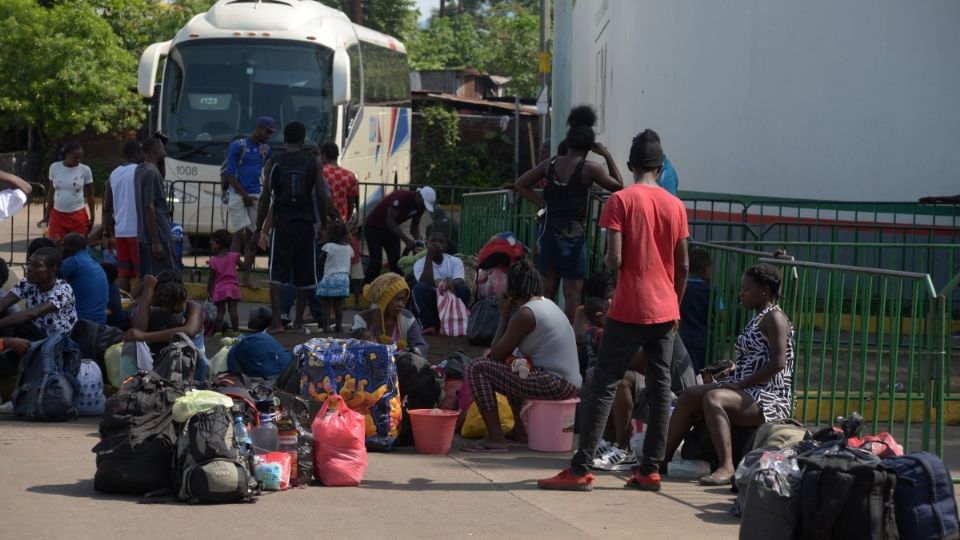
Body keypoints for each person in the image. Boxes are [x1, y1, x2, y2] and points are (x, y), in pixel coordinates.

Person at [539, 129, 688, 492]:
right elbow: (682, 265)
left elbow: (615, 257)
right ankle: (650, 469)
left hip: (630, 306)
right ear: (660, 165)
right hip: (665, 309)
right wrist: (675, 307)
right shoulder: (675, 205)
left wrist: (612, 258)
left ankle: (580, 468)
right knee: (660, 386)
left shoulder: (620, 200)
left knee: (604, 383)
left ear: (630, 164)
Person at [663, 263, 795, 486]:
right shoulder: (758, 317)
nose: (740, 294)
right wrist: (732, 372)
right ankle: (662, 458)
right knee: (688, 396)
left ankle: (727, 466)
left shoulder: (775, 318)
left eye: (746, 289)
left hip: (768, 396)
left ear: (764, 290)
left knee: (714, 398)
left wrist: (739, 384)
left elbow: (778, 363)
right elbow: (755, 358)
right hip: (747, 387)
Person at [513, 106, 623, 322]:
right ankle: (566, 337)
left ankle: (540, 330)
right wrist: (607, 154)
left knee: (546, 290)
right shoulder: (589, 168)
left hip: (548, 234)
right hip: (573, 238)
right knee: (572, 294)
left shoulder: (550, 164)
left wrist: (543, 203)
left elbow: (520, 184)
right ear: (589, 146)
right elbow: (618, 186)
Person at [461, 259, 581, 453]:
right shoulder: (547, 304)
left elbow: (496, 355)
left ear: (513, 289)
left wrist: (504, 315)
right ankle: (520, 431)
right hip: (566, 382)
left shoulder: (526, 314)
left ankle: (496, 438)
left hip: (556, 382)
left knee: (477, 368)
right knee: (516, 366)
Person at [257, 121, 329, 334]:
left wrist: (259, 229)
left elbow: (265, 198)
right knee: (305, 276)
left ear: (285, 138)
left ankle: (277, 322)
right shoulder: (312, 162)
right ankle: (298, 322)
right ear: (302, 138)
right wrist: (323, 224)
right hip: (305, 225)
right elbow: (322, 196)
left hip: (282, 224)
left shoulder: (274, 161)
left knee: (277, 275)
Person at [223, 116, 275, 288]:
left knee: (254, 236)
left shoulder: (266, 149)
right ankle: (231, 276)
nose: (268, 136)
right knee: (238, 235)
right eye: (267, 132)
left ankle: (245, 278)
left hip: (255, 195)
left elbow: (269, 171)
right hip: (238, 195)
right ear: (259, 128)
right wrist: (244, 195)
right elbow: (229, 174)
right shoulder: (238, 146)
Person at [0, 247, 78, 339]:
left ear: (53, 270)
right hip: (35, 336)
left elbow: (33, 313)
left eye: (37, 265)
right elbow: (4, 303)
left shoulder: (63, 290)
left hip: (58, 344)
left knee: (19, 325)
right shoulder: (27, 283)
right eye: (29, 263)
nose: (29, 268)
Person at [363, 186, 436, 284]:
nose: (424, 208)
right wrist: (407, 240)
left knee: (397, 263)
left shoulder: (420, 207)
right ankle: (366, 290)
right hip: (373, 227)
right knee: (376, 262)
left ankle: (395, 289)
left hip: (390, 230)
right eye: (423, 204)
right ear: (419, 196)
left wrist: (419, 241)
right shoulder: (401, 196)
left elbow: (414, 228)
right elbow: (390, 221)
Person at [351, 273, 428, 358]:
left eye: (403, 300)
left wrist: (406, 354)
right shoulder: (362, 319)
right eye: (398, 299)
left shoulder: (407, 318)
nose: (401, 305)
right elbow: (352, 348)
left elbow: (421, 347)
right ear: (384, 301)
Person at [102, 140, 143, 291]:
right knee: (141, 273)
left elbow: (107, 207)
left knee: (124, 273)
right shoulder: (140, 170)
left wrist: (107, 233)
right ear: (138, 153)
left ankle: (124, 303)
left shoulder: (114, 173)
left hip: (121, 232)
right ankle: (133, 308)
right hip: (138, 231)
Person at [411, 230, 470, 334]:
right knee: (419, 288)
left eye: (441, 241)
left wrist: (451, 284)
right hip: (431, 299)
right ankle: (429, 325)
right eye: (433, 241)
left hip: (449, 297)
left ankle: (455, 322)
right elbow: (425, 282)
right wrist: (429, 257)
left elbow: (460, 279)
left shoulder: (455, 261)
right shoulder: (419, 264)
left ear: (446, 246)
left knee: (463, 289)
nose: (436, 244)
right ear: (426, 244)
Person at [135, 138, 178, 277]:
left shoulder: (140, 169)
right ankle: (180, 299)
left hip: (144, 235)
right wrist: (156, 241)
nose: (164, 151)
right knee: (171, 274)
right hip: (159, 233)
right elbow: (149, 206)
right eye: (162, 149)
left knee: (151, 277)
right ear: (155, 151)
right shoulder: (151, 173)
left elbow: (161, 176)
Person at [38, 142, 95, 241]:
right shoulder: (54, 167)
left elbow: (90, 196)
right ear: (67, 155)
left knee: (77, 248)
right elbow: (51, 192)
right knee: (56, 246)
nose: (78, 160)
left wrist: (92, 217)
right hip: (57, 215)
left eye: (80, 158)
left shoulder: (85, 170)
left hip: (77, 216)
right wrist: (46, 216)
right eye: (75, 157)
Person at [680, 248, 716, 373]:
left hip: (683, 336)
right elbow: (721, 316)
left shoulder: (681, 287)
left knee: (685, 371)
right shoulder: (711, 290)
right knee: (704, 371)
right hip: (704, 339)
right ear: (705, 269)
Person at [60, 233, 109, 324]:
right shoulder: (92, 260)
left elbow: (48, 280)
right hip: (100, 320)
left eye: (63, 245)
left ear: (72, 246)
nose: (62, 249)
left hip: (80, 321)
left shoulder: (74, 261)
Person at [317, 221, 353, 333]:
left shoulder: (328, 246)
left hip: (330, 278)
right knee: (338, 306)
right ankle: (339, 326)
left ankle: (325, 327)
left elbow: (320, 259)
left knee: (327, 305)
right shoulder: (349, 248)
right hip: (344, 280)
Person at [206, 229, 241, 335]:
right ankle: (236, 331)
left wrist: (209, 291)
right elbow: (243, 266)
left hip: (220, 289)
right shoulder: (234, 256)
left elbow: (211, 279)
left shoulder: (214, 261)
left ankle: (218, 332)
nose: (211, 246)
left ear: (217, 243)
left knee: (220, 312)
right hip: (232, 287)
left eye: (212, 243)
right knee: (233, 310)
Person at [101, 263, 127, 330]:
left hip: (113, 326)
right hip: (121, 322)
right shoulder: (114, 287)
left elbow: (109, 311)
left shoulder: (104, 288)